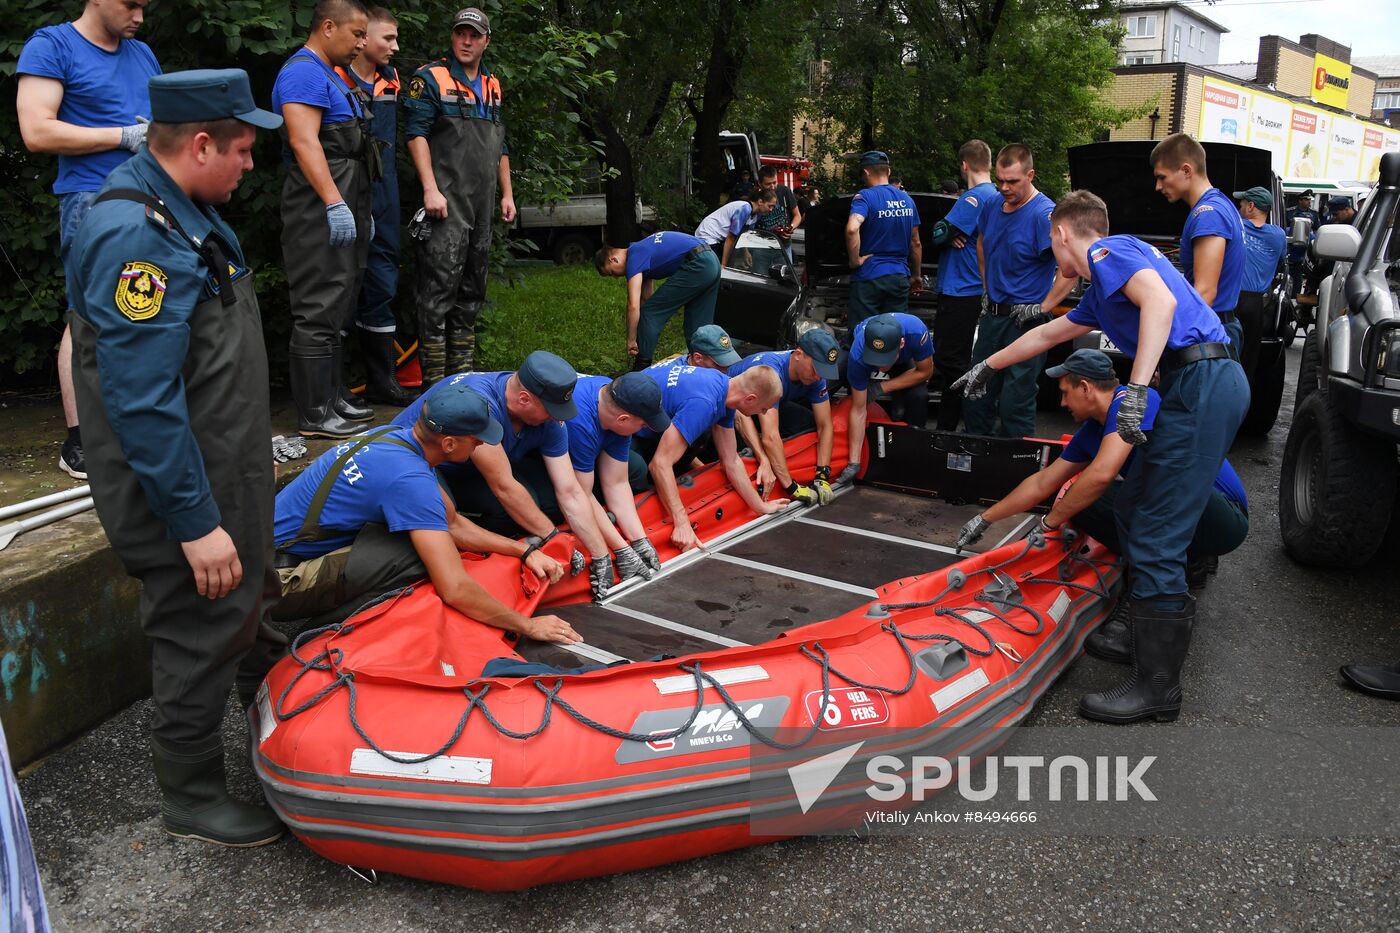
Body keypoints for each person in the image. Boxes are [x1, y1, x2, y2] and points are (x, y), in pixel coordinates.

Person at [66, 69, 287, 846]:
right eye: (243, 150)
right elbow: (142, 399)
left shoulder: (183, 207)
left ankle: (284, 731)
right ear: (200, 145)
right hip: (182, 488)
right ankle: (190, 792)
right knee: (202, 623)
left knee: (247, 601)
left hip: (222, 467)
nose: (250, 165)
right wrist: (194, 523)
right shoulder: (137, 237)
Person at [952, 190, 1248, 725]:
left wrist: (1135, 389)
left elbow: (1161, 303)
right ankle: (1146, 637)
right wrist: (990, 365)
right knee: (1133, 503)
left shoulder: (1108, 253)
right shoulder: (1103, 286)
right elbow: (1049, 331)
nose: (1054, 257)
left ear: (1062, 234)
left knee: (1156, 528)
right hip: (1197, 379)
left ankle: (1157, 689)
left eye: (1051, 243)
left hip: (1200, 379)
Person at [954, 349, 1248, 662]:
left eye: (1066, 393)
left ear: (1085, 387)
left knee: (1122, 494)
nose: (1063, 403)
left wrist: (1048, 525)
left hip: (1223, 517)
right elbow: (1043, 482)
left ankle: (1142, 596)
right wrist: (984, 520)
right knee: (1080, 501)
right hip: (1187, 511)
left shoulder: (1135, 404)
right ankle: (1188, 558)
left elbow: (1101, 473)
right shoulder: (1094, 429)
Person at [271, 382, 579, 641]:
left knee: (432, 537)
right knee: (420, 558)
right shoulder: (410, 481)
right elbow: (455, 588)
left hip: (268, 549)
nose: (480, 446)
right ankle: (319, 637)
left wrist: (523, 551)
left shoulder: (394, 436)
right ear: (448, 443)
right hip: (276, 580)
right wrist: (528, 626)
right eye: (476, 440)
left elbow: (453, 523)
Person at [16, 0, 161, 480]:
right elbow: (36, 130)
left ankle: (133, 428)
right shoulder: (52, 45)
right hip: (92, 200)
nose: (139, 15)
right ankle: (79, 441)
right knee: (89, 315)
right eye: (131, 4)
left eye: (145, 5)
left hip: (150, 196)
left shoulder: (141, 53)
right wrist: (121, 137)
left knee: (145, 307)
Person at [391, 351, 622, 600]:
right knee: (446, 516)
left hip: (464, 465)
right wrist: (553, 537)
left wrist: (601, 555)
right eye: (552, 410)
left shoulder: (550, 421)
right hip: (421, 464)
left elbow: (570, 490)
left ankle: (481, 540)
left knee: (530, 503)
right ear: (524, 399)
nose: (557, 418)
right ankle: (438, 554)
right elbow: (504, 486)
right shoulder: (481, 404)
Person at [273, 0, 376, 438]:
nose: (361, 43)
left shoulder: (329, 74)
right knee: (317, 307)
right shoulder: (302, 72)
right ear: (328, 26)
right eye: (356, 34)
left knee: (336, 304)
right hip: (316, 210)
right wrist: (335, 203)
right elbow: (304, 141)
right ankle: (314, 413)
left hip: (347, 201)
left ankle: (332, 398)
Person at [404, 6, 514, 386]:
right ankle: (434, 386)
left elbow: (501, 144)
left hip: (481, 206)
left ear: (486, 40)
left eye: (474, 35)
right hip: (445, 203)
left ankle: (461, 381)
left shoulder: (493, 84)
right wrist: (429, 189)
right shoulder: (429, 78)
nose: (466, 41)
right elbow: (415, 134)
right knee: (437, 294)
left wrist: (507, 194)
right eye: (460, 33)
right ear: (453, 37)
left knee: (472, 292)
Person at [963, 143, 1075, 439]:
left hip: (1026, 322)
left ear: (1030, 175)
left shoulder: (1044, 215)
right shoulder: (991, 205)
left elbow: (1071, 269)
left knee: (1016, 401)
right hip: (993, 316)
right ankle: (976, 457)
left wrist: (1044, 307)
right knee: (977, 390)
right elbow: (982, 243)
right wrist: (987, 287)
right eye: (1000, 180)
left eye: (1012, 181)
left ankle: (1017, 468)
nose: (1004, 187)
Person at [335, 6, 415, 406]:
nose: (395, 47)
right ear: (362, 38)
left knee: (383, 280)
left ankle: (382, 381)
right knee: (341, 284)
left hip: (385, 191)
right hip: (345, 188)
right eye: (389, 38)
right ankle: (336, 387)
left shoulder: (391, 80)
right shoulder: (333, 77)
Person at [629, 363, 786, 550]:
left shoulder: (725, 388)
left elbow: (731, 460)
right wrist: (682, 524)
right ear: (750, 399)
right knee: (637, 469)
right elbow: (660, 464)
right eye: (763, 409)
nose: (764, 414)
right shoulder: (705, 402)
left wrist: (760, 506)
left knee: (697, 440)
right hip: (623, 427)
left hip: (643, 417)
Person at [557, 371, 674, 584]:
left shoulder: (615, 398)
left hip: (588, 443)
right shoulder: (580, 421)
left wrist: (639, 540)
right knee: (549, 498)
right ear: (623, 419)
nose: (644, 429)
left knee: (635, 467)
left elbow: (617, 482)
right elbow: (579, 494)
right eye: (643, 425)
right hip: (527, 459)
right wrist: (620, 549)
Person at [1151, 133, 1245, 356]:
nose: (1157, 186)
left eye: (1162, 177)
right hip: (1215, 331)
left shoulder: (1208, 214)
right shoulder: (1221, 205)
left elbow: (1205, 292)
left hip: (1207, 339)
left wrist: (1167, 345)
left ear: (1186, 170)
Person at [728, 328, 843, 505]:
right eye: (815, 369)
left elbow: (825, 425)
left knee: (807, 424)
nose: (818, 376)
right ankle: (763, 465)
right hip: (732, 409)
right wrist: (791, 487)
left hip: (762, 406)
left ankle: (780, 462)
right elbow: (771, 437)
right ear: (798, 354)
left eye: (823, 371)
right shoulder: (772, 371)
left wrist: (823, 474)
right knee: (748, 449)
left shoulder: (816, 377)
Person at [928, 140, 995, 431]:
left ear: (964, 165)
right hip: (974, 290)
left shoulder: (973, 199)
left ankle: (946, 429)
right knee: (958, 359)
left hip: (959, 290)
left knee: (950, 362)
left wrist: (947, 232)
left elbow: (939, 233)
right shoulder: (995, 195)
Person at [594, 231, 721, 371]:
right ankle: (708, 368)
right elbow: (646, 298)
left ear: (613, 259)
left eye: (612, 273)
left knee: (648, 313)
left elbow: (633, 306)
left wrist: (631, 339)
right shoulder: (642, 249)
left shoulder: (634, 256)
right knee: (697, 326)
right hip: (711, 260)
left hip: (697, 264)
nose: (616, 277)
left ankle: (641, 367)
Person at [843, 312, 934, 478]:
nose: (881, 367)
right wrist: (853, 462)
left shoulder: (916, 331)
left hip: (902, 360)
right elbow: (858, 409)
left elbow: (926, 372)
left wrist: (881, 388)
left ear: (901, 343)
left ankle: (913, 451)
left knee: (919, 396)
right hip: (863, 358)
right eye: (877, 360)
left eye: (885, 360)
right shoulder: (858, 355)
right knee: (853, 393)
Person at [845, 150, 922, 328]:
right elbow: (916, 242)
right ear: (888, 171)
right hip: (899, 278)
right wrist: (916, 275)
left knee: (863, 333)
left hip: (869, 278)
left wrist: (855, 261)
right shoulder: (908, 200)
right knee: (894, 335)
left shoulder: (865, 197)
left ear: (866, 172)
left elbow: (852, 228)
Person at [1234, 186, 1286, 378]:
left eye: (1241, 204)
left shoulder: (1235, 225)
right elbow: (1281, 262)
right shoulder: (1279, 235)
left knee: (1224, 351)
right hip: (1257, 305)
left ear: (1251, 206)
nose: (1239, 208)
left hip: (1230, 299)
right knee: (1248, 359)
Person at [694, 187, 776, 266]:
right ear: (760, 201)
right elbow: (731, 238)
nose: (771, 209)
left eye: (773, 207)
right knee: (717, 267)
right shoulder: (745, 209)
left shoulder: (757, 215)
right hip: (708, 234)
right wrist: (724, 265)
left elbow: (744, 235)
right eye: (770, 206)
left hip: (719, 239)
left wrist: (746, 252)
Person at [753, 165, 803, 258]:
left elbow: (797, 216)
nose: (772, 187)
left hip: (784, 245)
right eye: (768, 184)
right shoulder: (755, 196)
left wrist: (790, 228)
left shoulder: (785, 191)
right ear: (760, 183)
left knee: (786, 272)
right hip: (761, 248)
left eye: (775, 182)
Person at [1285, 190, 1319, 297]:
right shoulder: (1289, 212)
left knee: (1298, 279)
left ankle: (1295, 297)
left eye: (1309, 200)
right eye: (1306, 199)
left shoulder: (1313, 214)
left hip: (1304, 250)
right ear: (1300, 201)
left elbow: (1317, 230)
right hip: (1290, 248)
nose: (1309, 202)